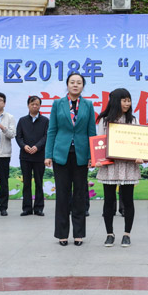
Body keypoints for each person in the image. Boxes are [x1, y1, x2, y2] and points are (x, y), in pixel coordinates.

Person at [45, 73, 97, 246]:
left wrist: (92, 156)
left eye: (79, 83)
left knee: (80, 195)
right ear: (67, 85)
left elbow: (91, 132)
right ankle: (62, 234)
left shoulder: (88, 105)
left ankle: (79, 234)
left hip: (81, 155)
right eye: (72, 82)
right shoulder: (57, 104)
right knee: (62, 194)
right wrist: (48, 155)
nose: (75, 85)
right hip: (61, 154)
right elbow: (52, 130)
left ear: (83, 86)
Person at [95, 88, 143, 247]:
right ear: (116, 101)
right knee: (109, 201)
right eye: (124, 100)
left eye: (129, 100)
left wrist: (140, 155)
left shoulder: (133, 120)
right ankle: (109, 234)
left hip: (128, 165)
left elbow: (139, 141)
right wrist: (98, 159)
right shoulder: (104, 120)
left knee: (128, 201)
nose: (127, 104)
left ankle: (127, 234)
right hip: (110, 166)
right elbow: (100, 141)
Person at [15, 96, 49, 216]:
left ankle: (39, 208)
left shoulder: (45, 121)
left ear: (40, 106)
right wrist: (24, 146)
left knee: (39, 182)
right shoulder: (22, 120)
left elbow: (46, 136)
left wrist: (37, 146)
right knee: (26, 183)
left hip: (39, 156)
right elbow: (18, 136)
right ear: (28, 105)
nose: (34, 106)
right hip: (25, 156)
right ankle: (27, 208)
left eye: (37, 104)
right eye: (32, 104)